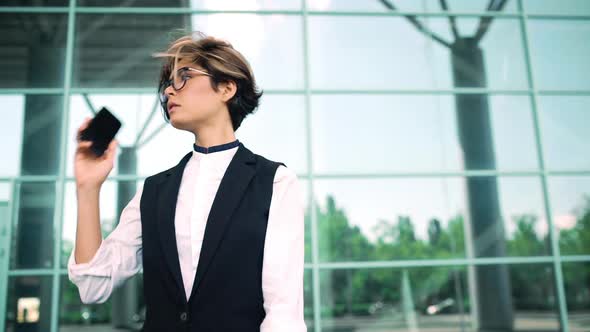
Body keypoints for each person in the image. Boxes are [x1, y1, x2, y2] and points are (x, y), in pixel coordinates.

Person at [68, 32, 306, 331]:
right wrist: (88, 189)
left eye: (184, 76)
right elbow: (92, 287)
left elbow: (283, 314)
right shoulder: (154, 191)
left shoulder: (275, 182)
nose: (169, 91)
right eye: (168, 83)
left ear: (227, 88)